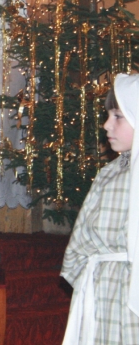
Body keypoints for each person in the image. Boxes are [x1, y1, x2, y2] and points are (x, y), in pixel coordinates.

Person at [61, 73, 139, 344]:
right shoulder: (110, 172)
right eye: (108, 116)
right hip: (101, 288)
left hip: (128, 291)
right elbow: (83, 233)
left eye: (118, 116)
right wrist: (83, 273)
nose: (107, 125)